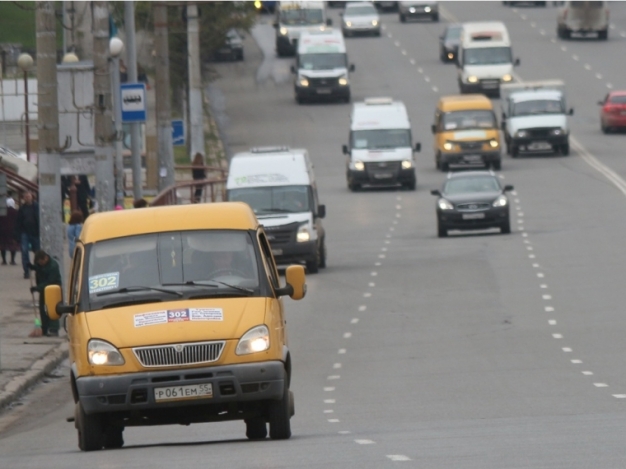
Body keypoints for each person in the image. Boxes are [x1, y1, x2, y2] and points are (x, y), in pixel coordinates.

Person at [29, 250, 62, 337]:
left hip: (53, 290)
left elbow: (49, 281)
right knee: (43, 309)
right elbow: (41, 269)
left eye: (40, 262)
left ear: (45, 258)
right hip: (43, 289)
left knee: (52, 309)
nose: (40, 264)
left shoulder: (53, 266)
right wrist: (33, 267)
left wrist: (37, 288)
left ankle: (54, 329)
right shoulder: (42, 264)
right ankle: (44, 328)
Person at [15, 191, 40, 279]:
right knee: (24, 251)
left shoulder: (37, 207)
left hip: (36, 233)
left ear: (32, 197)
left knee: (37, 252)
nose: (27, 198)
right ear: (23, 198)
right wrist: (17, 235)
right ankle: (26, 271)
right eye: (25, 197)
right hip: (24, 233)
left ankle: (38, 270)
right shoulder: (22, 209)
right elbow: (18, 222)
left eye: (28, 196)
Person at [0, 196, 19, 265]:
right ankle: (12, 260)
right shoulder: (15, 211)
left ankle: (4, 260)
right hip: (13, 231)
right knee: (13, 246)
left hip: (2, 231)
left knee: (3, 246)